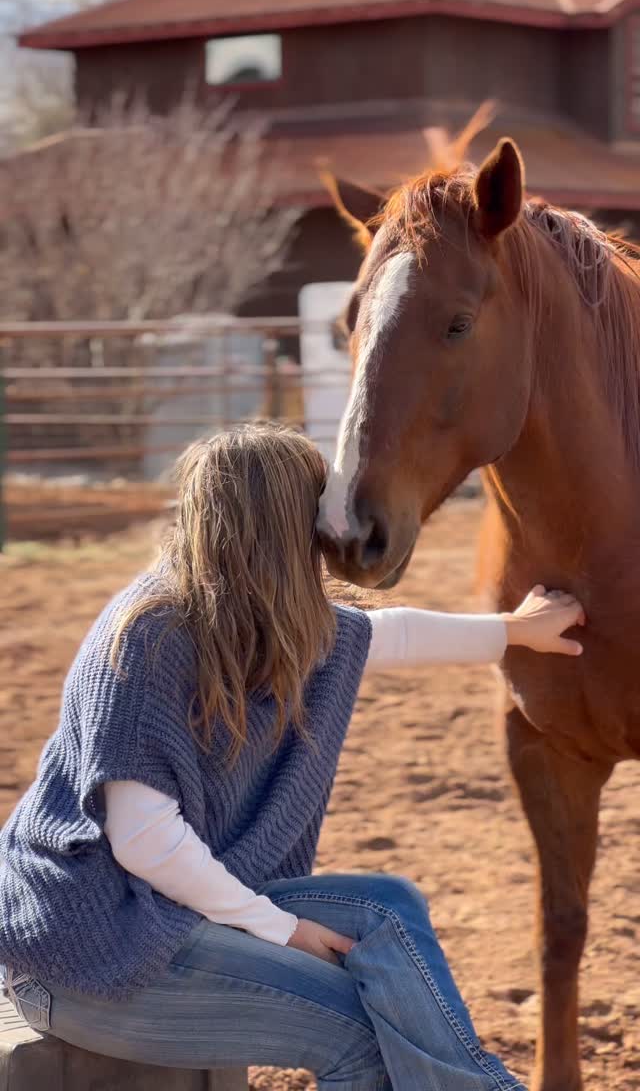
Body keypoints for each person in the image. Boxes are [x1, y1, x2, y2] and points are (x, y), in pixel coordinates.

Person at [0, 424, 584, 1090]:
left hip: (152, 913)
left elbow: (385, 636)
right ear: (285, 527)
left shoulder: (252, 616)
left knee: (388, 905)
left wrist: (517, 633)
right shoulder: (148, 639)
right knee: (358, 1038)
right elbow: (145, 842)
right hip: (87, 954)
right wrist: (282, 929)